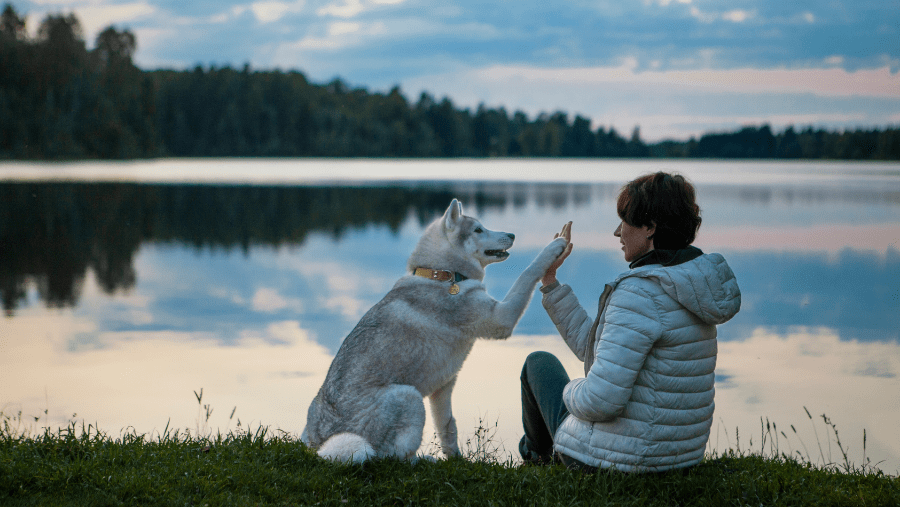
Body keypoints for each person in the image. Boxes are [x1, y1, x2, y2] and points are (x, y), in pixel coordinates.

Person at [520, 171, 741, 473]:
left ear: (650, 227)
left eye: (624, 221)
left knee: (538, 364)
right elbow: (594, 350)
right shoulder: (691, 286)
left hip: (622, 462)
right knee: (553, 374)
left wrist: (569, 390)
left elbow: (600, 400)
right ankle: (540, 452)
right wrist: (550, 282)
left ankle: (535, 456)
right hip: (680, 461)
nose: (616, 232)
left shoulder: (640, 293)